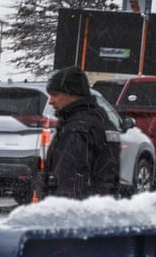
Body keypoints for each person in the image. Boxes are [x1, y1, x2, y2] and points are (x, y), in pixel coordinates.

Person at [41, 66, 120, 200]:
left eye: (55, 94)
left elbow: (69, 180)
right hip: (100, 207)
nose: (50, 100)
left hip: (74, 211)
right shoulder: (103, 123)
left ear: (72, 93)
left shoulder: (77, 129)